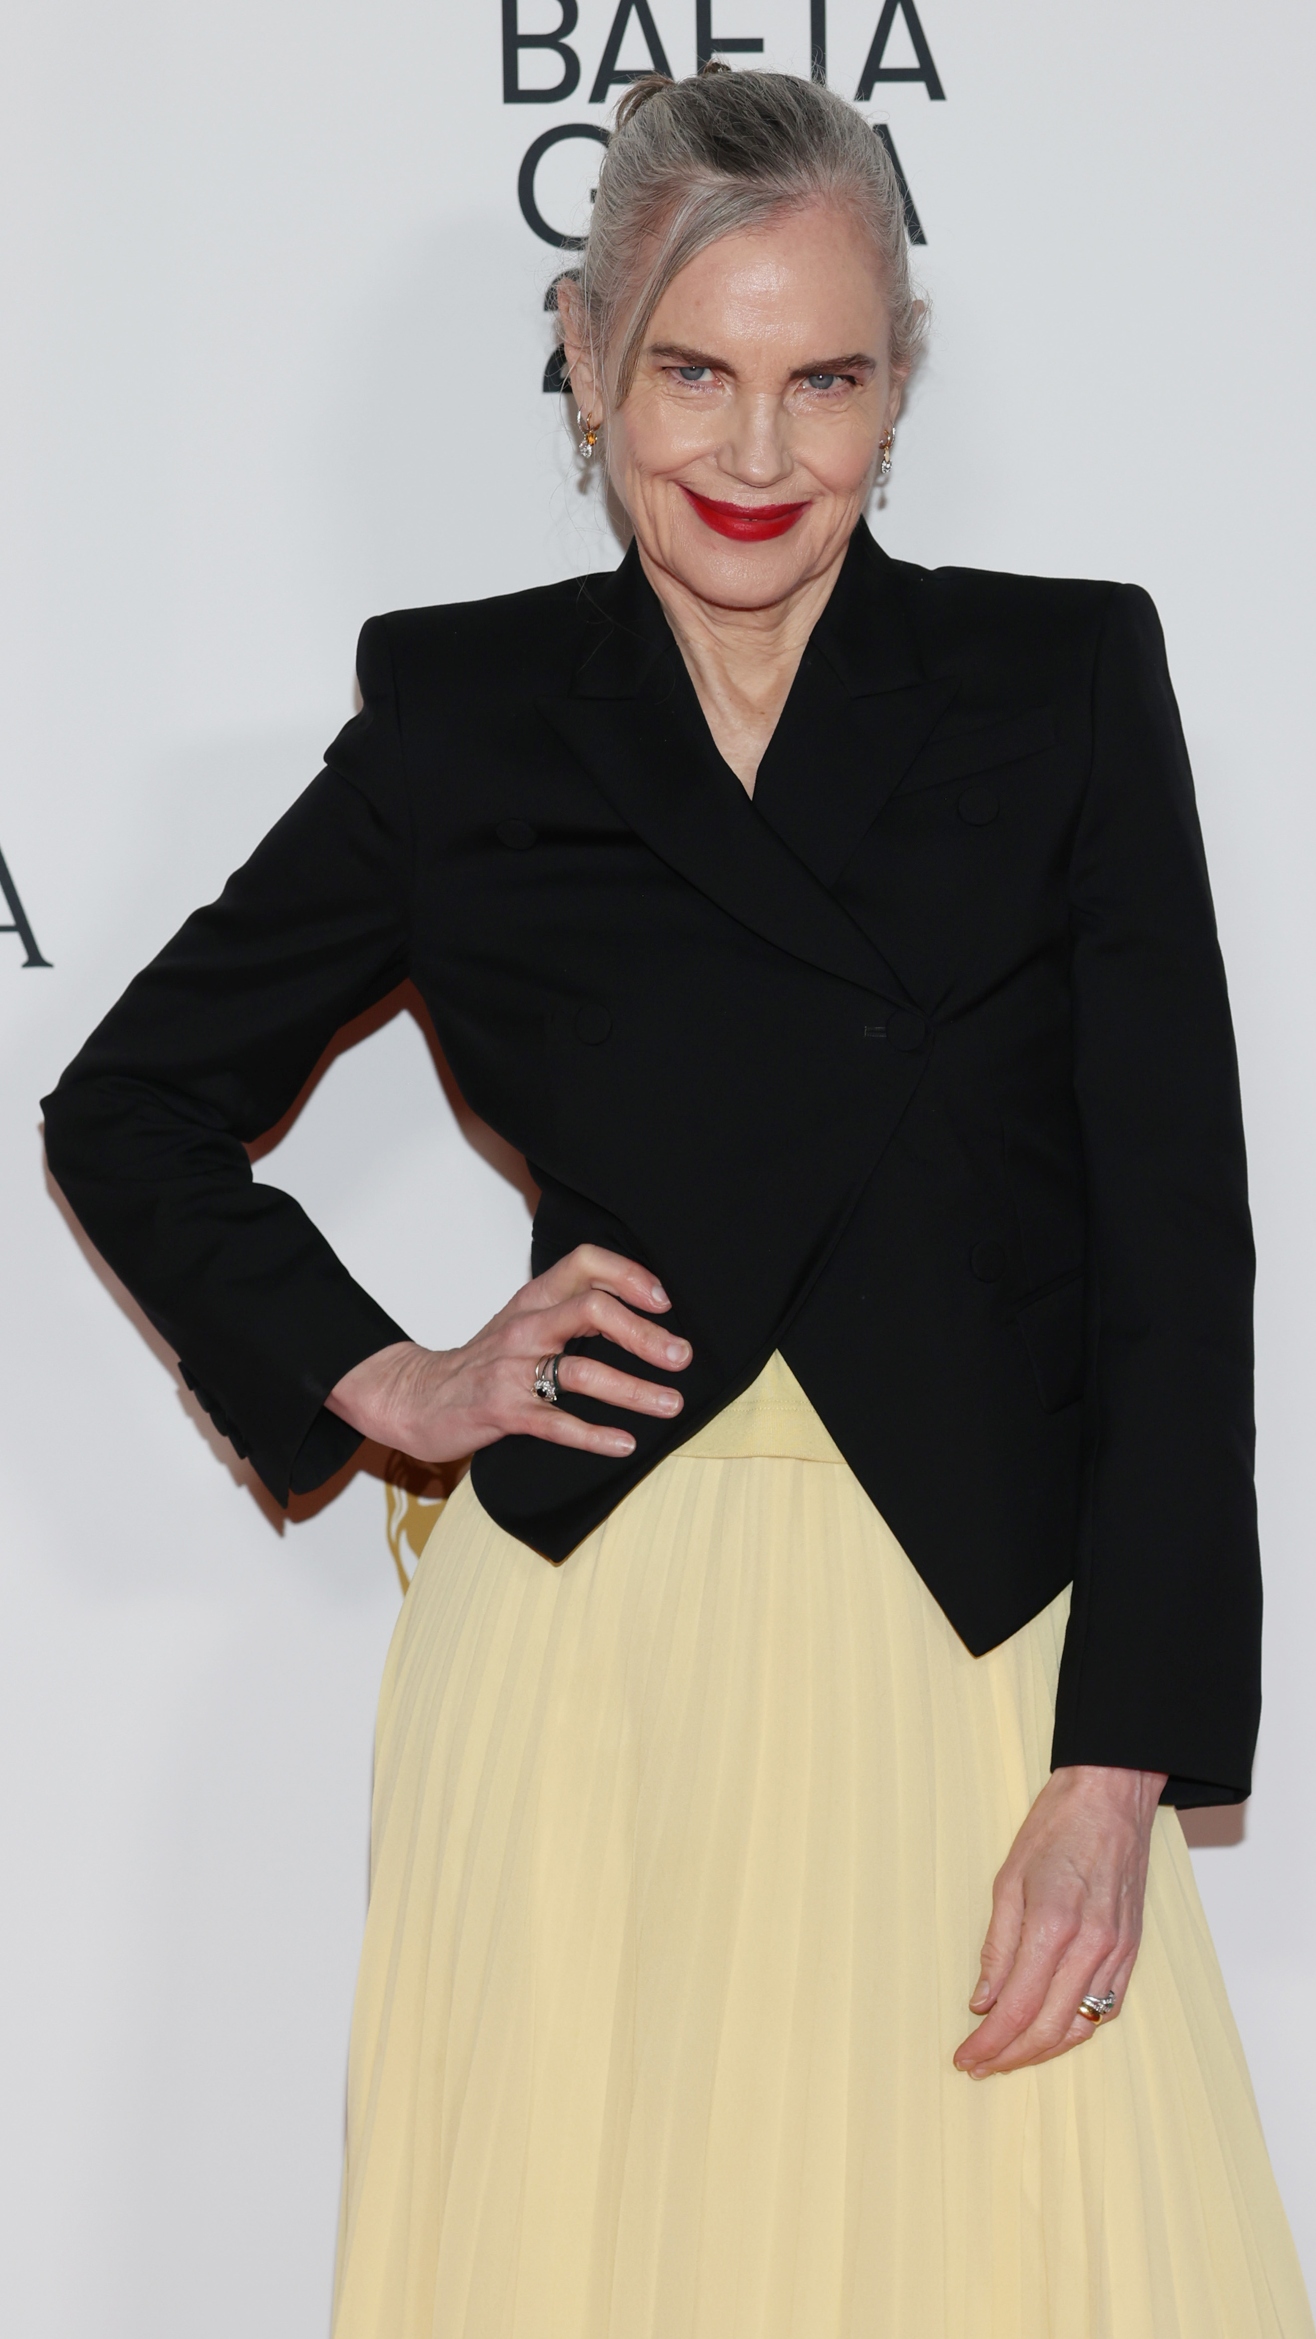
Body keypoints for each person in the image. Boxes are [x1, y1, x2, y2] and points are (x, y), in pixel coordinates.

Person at [42, 63, 1313, 2339]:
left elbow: (1174, 1257)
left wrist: (1119, 1761)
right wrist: (390, 1376)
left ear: (898, 380)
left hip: (970, 1646)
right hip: (592, 1645)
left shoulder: (1060, 682)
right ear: (586, 352)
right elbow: (128, 1097)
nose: (753, 454)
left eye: (822, 377)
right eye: (691, 375)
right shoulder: (468, 718)